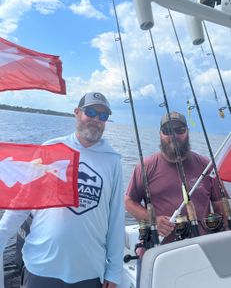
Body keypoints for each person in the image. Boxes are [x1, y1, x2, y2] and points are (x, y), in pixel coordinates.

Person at [0, 92, 125, 288]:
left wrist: (115, 269)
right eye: (90, 112)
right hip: (42, 266)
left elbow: (116, 218)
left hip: (89, 271)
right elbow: (24, 199)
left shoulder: (112, 160)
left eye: (102, 116)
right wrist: (2, 233)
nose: (96, 120)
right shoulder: (51, 148)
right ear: (77, 113)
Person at [125, 111, 227, 244]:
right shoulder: (144, 167)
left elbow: (220, 204)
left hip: (200, 247)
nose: (173, 135)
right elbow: (129, 201)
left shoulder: (207, 166)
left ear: (188, 132)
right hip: (158, 249)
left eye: (180, 130)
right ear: (160, 134)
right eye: (167, 130)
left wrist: (223, 237)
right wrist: (153, 219)